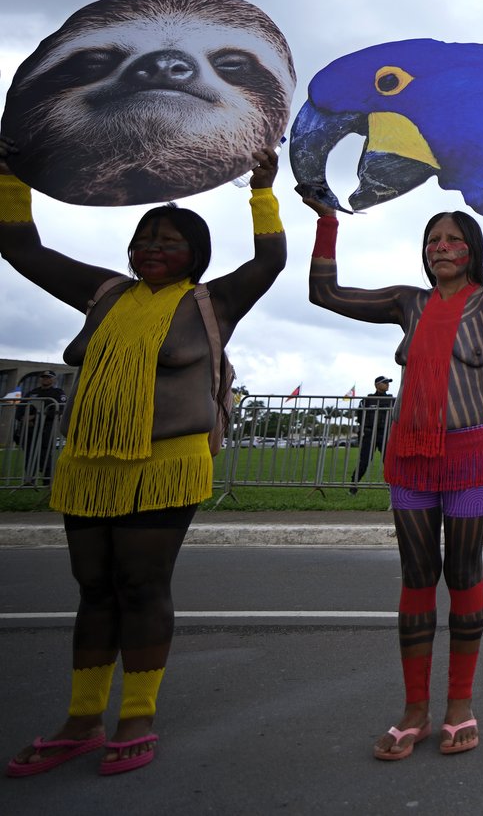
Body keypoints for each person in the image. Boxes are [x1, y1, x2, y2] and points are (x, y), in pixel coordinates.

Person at [1, 136, 286, 777]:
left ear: (197, 255)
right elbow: (20, 247)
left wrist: (262, 189)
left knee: (141, 585)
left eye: (170, 240)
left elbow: (270, 259)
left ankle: (136, 715)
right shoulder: (104, 295)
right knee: (94, 590)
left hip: (166, 465)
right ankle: (80, 719)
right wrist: (8, 175)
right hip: (90, 467)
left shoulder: (212, 303)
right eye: (145, 238)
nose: (153, 248)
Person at [301, 172, 483, 761]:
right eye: (431, 241)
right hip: (411, 460)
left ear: (473, 251)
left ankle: (460, 705)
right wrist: (327, 221)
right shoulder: (406, 303)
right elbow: (325, 295)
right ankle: (415, 709)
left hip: (474, 459)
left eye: (452, 240)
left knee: (462, 574)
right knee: (417, 578)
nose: (440, 248)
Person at [19, 370, 67, 485]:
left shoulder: (58, 393)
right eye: (44, 377)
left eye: (48, 377)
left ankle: (47, 481)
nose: (45, 379)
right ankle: (29, 480)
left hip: (46, 428)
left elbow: (59, 409)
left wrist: (35, 417)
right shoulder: (32, 393)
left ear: (54, 379)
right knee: (29, 453)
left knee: (45, 454)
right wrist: (23, 418)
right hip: (30, 429)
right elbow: (21, 408)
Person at [350, 376, 394, 493]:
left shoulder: (392, 400)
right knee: (364, 461)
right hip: (370, 434)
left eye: (387, 383)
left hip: (385, 434)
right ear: (377, 385)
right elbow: (360, 417)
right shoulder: (367, 400)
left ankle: (392, 487)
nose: (387, 384)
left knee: (389, 462)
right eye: (384, 383)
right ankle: (353, 485)